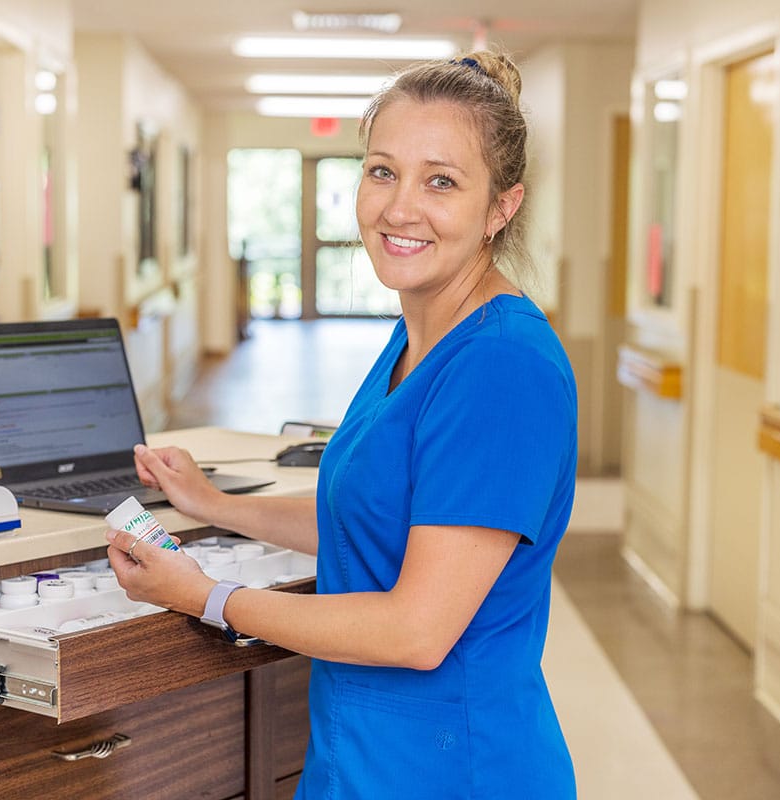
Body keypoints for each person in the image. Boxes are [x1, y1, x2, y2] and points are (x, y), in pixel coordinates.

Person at [106, 48, 578, 799]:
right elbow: (375, 525)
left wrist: (206, 597)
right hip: (354, 761)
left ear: (502, 207)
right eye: (382, 170)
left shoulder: (503, 368)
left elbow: (417, 631)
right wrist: (218, 506)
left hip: (454, 770)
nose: (399, 207)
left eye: (442, 181)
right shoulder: (416, 336)